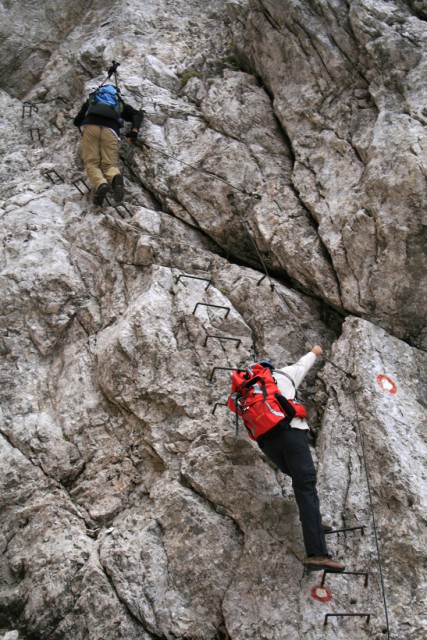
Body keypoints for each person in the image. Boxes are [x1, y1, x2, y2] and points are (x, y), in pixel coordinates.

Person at [256, 346, 345, 572]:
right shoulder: (285, 373)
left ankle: (313, 521)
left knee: (300, 480)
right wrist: (316, 351)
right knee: (305, 485)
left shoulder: (253, 390)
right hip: (291, 434)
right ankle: (317, 554)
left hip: (267, 442)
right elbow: (305, 363)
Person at [73, 85, 143, 205]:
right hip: (111, 130)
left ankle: (101, 184)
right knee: (109, 164)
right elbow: (137, 115)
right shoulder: (118, 104)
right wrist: (133, 132)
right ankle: (115, 179)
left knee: (91, 162)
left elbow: (76, 121)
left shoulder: (93, 100)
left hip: (91, 126)